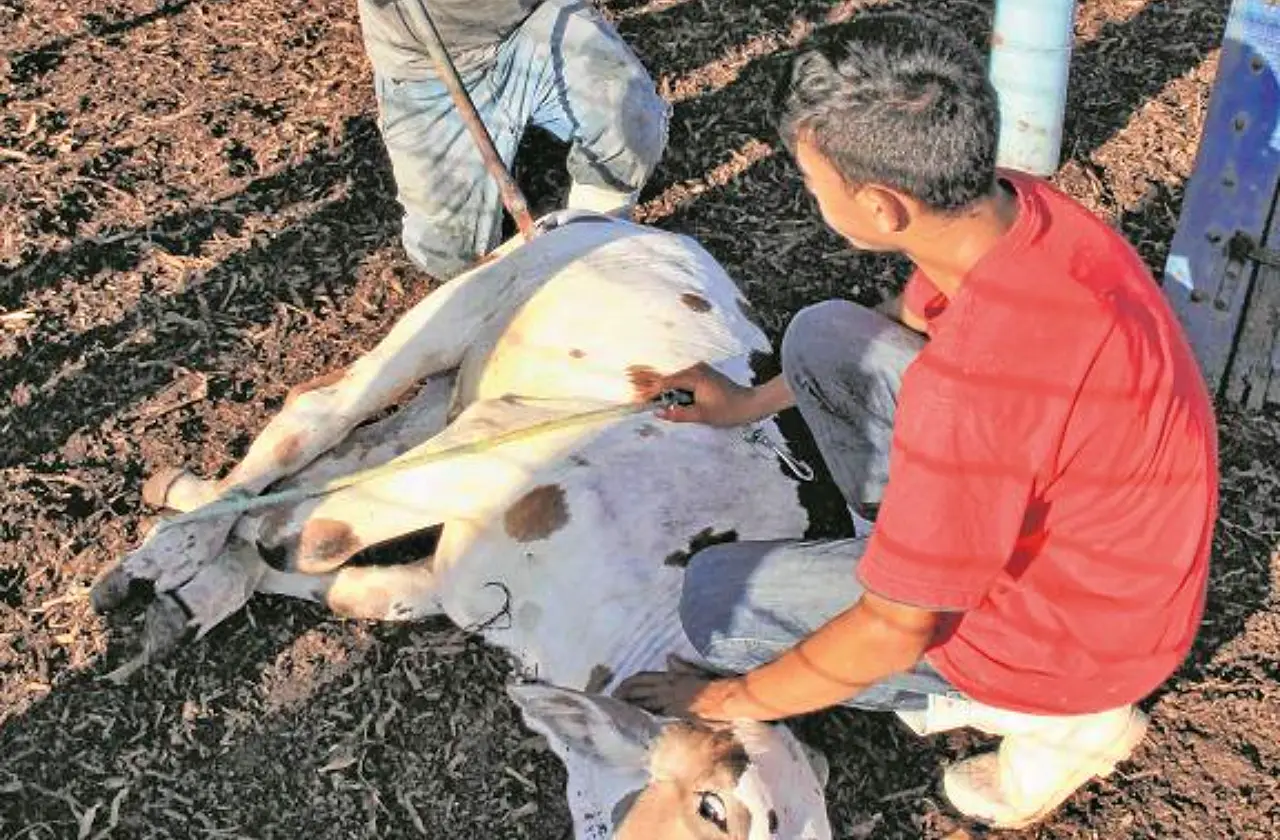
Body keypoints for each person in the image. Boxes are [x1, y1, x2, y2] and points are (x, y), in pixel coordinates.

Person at [615, 9, 1218, 830]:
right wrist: (747, 405)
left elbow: (894, 631)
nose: (810, 193)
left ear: (880, 207)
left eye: (811, 180)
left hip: (1082, 650)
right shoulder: (1026, 212)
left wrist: (726, 697)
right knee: (825, 337)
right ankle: (911, 555)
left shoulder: (970, 393)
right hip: (1117, 562)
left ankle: (1060, 725)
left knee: (716, 604)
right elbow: (916, 314)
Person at [359, 0, 670, 279]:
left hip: (530, 20)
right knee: (451, 258)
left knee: (631, 126)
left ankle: (593, 240)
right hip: (427, 64)